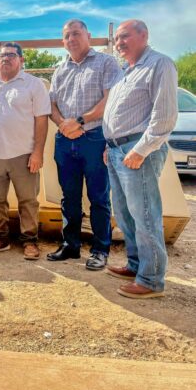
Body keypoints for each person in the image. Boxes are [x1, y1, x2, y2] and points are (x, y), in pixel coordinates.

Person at [103, 19, 178, 299]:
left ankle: (151, 279)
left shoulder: (160, 64)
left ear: (144, 35)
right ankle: (135, 265)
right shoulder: (127, 71)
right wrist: (110, 144)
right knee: (125, 214)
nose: (119, 43)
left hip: (136, 151)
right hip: (117, 150)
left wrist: (141, 150)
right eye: (117, 39)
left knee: (145, 215)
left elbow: (164, 116)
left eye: (125, 37)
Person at [47, 19, 123, 270]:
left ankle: (100, 250)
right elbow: (52, 104)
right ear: (63, 41)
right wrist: (63, 125)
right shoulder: (60, 70)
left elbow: (110, 99)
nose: (72, 39)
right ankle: (71, 245)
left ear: (88, 36)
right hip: (64, 140)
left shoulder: (106, 62)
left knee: (99, 197)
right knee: (69, 197)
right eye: (67, 35)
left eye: (76, 33)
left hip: (95, 138)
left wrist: (80, 121)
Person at [0, 43, 51, 260]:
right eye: (2, 55)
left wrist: (37, 152)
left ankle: (30, 241)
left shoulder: (33, 84)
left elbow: (41, 120)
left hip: (23, 154)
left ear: (21, 60)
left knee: (28, 200)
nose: (5, 58)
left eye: (11, 55)